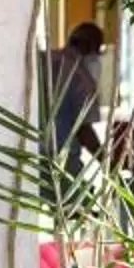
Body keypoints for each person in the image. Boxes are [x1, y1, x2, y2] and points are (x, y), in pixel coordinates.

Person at [47, 20, 105, 171]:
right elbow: (84, 131)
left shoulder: (44, 60)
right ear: (91, 47)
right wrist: (108, 165)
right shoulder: (82, 78)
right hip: (62, 164)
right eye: (98, 51)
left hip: (33, 157)